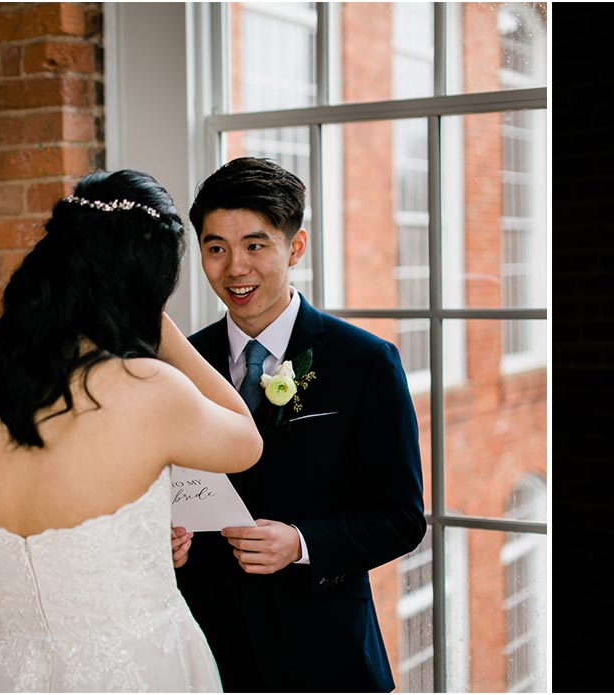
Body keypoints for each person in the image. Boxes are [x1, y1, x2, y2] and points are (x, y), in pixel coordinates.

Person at [0, 169, 264, 692]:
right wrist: (158, 327)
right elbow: (246, 439)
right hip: (133, 670)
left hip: (1, 671)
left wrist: (41, 609)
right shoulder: (147, 389)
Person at [171, 157, 427, 692]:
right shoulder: (178, 366)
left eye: (255, 245)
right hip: (206, 654)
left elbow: (402, 518)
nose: (235, 268)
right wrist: (162, 542)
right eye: (216, 248)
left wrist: (302, 542)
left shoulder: (366, 362)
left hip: (325, 653)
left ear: (296, 247)